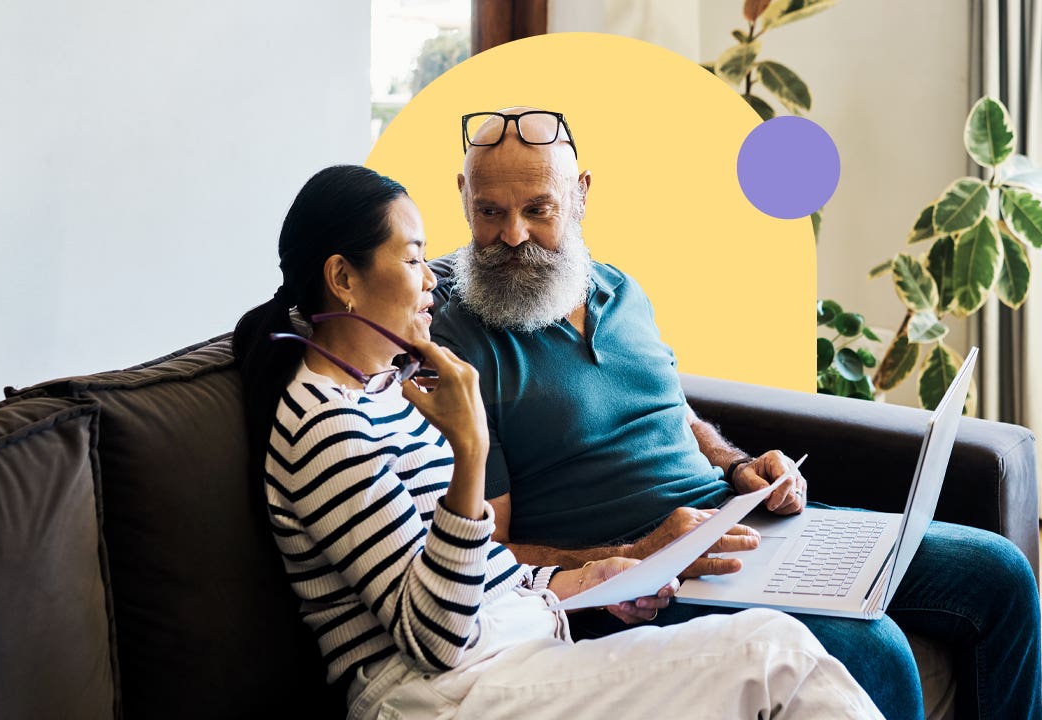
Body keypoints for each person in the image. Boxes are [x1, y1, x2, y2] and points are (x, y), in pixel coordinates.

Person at [430, 108, 1042, 719]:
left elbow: (671, 410)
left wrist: (737, 465)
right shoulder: (455, 341)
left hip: (740, 525)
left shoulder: (619, 289)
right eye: (490, 212)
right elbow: (491, 554)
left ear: (580, 194)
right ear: (464, 197)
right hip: (647, 579)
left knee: (998, 575)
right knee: (873, 650)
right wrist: (642, 551)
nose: (512, 235)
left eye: (538, 209)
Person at [231, 165, 883, 719]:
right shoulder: (324, 428)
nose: (432, 278)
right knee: (780, 655)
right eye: (410, 258)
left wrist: (576, 580)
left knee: (776, 653)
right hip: (443, 696)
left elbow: (475, 578)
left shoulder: (385, 389)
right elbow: (436, 637)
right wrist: (471, 452)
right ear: (343, 278)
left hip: (516, 651)